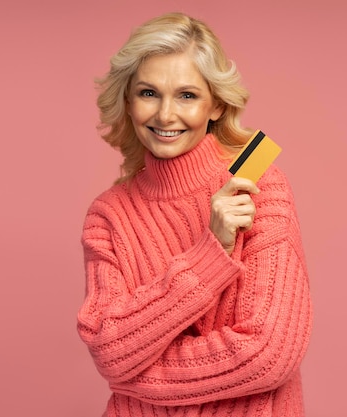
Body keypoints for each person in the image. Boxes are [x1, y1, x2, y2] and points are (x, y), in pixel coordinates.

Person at [77, 12, 312, 417]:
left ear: (216, 104)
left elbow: (270, 353)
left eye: (187, 95)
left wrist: (135, 377)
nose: (166, 115)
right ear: (127, 101)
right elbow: (109, 349)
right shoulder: (109, 215)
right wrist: (211, 253)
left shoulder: (257, 185)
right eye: (149, 93)